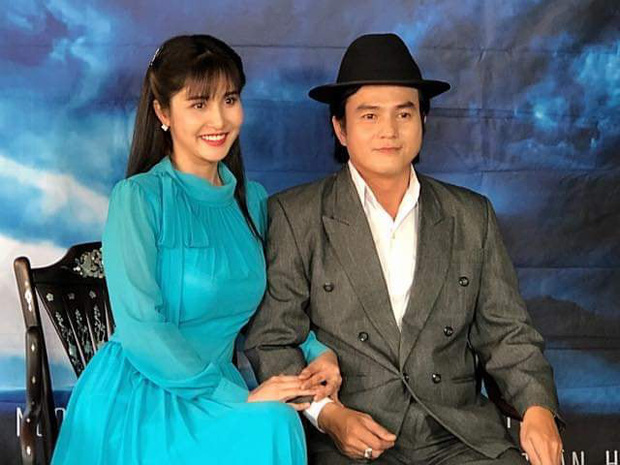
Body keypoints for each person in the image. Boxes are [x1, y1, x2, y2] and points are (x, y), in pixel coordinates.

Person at [245, 33, 563, 465]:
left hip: (458, 437)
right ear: (340, 128)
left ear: (423, 120)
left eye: (404, 113)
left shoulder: (472, 216)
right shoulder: (294, 215)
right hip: (350, 438)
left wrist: (538, 408)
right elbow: (273, 339)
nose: (389, 131)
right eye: (369, 115)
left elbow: (507, 334)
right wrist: (329, 415)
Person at [52, 34, 340, 465]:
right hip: (143, 396)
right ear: (162, 112)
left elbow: (272, 307)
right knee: (272, 422)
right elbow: (141, 327)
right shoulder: (139, 198)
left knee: (275, 421)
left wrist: (319, 354)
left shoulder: (252, 201)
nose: (219, 119)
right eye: (199, 104)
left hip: (219, 394)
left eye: (230, 99)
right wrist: (236, 396)